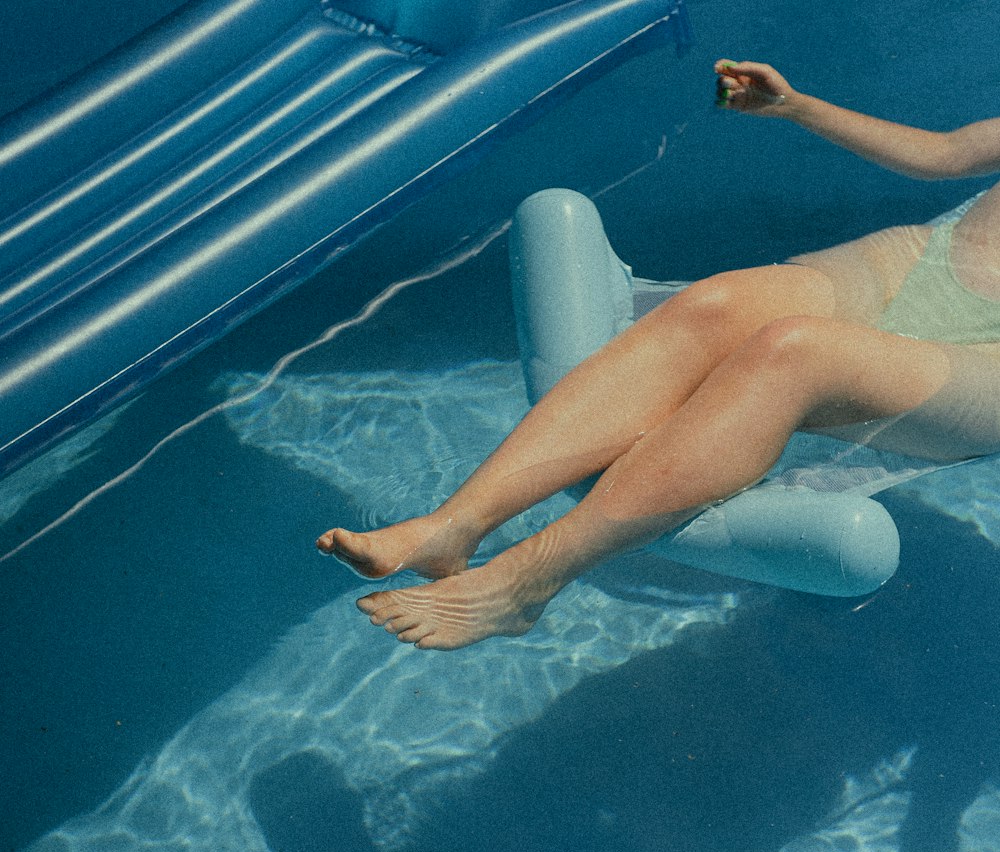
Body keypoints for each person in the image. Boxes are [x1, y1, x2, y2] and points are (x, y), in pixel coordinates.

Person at [317, 60, 1000, 649]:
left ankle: (526, 580)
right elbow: (943, 153)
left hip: (988, 361)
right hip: (921, 261)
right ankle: (451, 526)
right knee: (715, 306)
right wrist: (795, 106)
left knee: (797, 355)